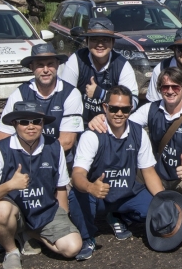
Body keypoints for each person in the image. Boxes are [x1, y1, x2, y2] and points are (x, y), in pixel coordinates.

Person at [0, 102, 82, 269]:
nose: (31, 126)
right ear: (14, 124)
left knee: (72, 248)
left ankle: (30, 233)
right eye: (24, 122)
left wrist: (63, 218)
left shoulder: (54, 147)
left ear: (42, 124)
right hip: (14, 211)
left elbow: (61, 187)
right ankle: (11, 251)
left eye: (36, 121)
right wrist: (10, 185)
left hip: (45, 210)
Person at [70, 85, 165, 260]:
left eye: (125, 109)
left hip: (126, 193)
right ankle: (86, 237)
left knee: (155, 207)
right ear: (105, 108)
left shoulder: (138, 133)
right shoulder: (92, 135)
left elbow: (149, 172)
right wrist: (90, 187)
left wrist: (164, 201)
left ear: (131, 109)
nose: (119, 113)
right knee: (77, 196)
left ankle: (119, 217)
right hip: (99, 196)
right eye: (113, 108)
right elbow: (77, 175)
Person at [129, 67, 182, 211]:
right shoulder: (150, 109)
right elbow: (125, 127)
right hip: (158, 173)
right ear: (160, 89)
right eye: (165, 87)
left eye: (175, 87)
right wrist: (101, 120)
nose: (170, 91)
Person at [0, 43, 84, 164]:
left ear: (58, 65)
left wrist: (37, 162)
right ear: (31, 67)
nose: (46, 70)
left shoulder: (71, 94)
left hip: (59, 161)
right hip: (23, 161)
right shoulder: (19, 94)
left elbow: (67, 142)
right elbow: (2, 137)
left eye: (50, 64)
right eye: (40, 65)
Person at [59, 17, 138, 124]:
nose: (100, 44)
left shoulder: (122, 65)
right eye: (94, 39)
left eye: (105, 40)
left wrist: (100, 94)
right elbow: (63, 96)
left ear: (112, 42)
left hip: (111, 124)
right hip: (81, 123)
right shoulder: (76, 59)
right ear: (87, 41)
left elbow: (133, 102)